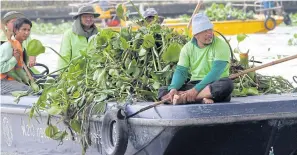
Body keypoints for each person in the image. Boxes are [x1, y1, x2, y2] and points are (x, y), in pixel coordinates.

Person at [158, 13, 234, 105]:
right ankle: (201, 98)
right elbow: (181, 71)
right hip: (194, 84)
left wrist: (195, 91)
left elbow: (216, 73)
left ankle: (184, 98)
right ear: (196, 35)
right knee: (163, 90)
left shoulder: (221, 45)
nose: (209, 33)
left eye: (210, 29)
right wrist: (173, 89)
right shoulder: (187, 48)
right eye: (205, 31)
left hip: (212, 84)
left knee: (227, 85)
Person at [58, 5, 100, 69]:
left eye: (91, 16)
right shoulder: (69, 34)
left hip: (94, 71)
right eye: (85, 17)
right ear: (79, 18)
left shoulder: (100, 33)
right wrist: (61, 74)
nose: (88, 19)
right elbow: (64, 56)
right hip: (74, 73)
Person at [0, 18, 33, 95]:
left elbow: (18, 68)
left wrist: (27, 79)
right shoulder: (8, 46)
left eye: (28, 30)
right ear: (15, 30)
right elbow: (1, 69)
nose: (27, 32)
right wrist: (14, 59)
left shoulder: (20, 46)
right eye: (24, 29)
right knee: (30, 91)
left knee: (34, 86)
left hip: (12, 79)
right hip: (2, 81)